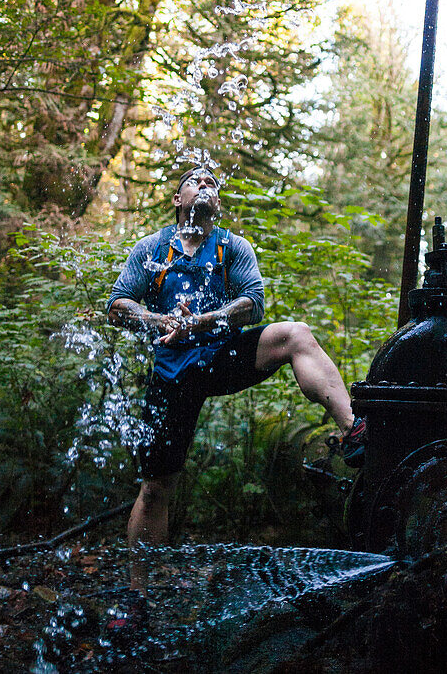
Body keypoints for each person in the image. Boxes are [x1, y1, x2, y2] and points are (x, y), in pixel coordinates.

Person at [107, 165, 366, 605]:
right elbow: (117, 305)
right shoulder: (151, 249)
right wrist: (163, 320)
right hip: (172, 374)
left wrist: (202, 322)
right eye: (196, 180)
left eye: (212, 182)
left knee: (295, 334)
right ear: (177, 199)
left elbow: (254, 305)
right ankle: (137, 597)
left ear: (219, 203)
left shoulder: (232, 247)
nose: (205, 185)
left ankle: (354, 429)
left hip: (221, 357)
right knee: (155, 489)